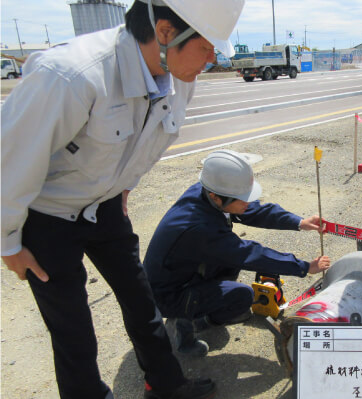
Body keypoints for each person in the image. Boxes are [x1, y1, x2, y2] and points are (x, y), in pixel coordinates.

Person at [0, 1, 245, 398]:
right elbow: (9, 161)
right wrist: (8, 242)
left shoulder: (178, 77)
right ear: (165, 32)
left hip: (106, 207)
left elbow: (145, 142)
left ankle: (165, 385)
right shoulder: (71, 76)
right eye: (206, 47)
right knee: (73, 329)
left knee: (141, 301)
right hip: (48, 217)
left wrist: (124, 188)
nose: (212, 60)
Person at [143, 149, 331, 356]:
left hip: (180, 272)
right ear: (216, 197)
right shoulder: (199, 228)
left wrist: (299, 222)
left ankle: (194, 309)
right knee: (243, 296)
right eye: (242, 199)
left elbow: (253, 211)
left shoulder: (206, 192)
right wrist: (304, 267)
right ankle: (190, 325)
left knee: (229, 261)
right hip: (167, 294)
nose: (247, 203)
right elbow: (250, 254)